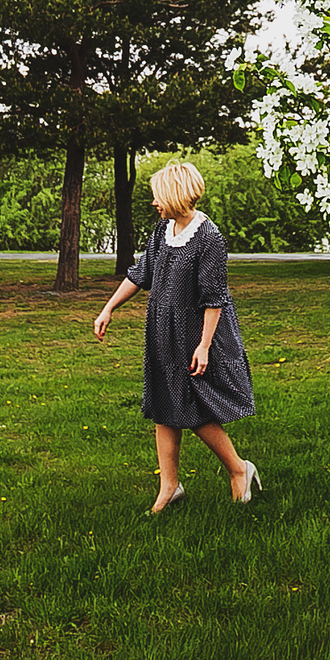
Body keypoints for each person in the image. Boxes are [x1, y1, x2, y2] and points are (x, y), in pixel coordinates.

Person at [93, 161, 260, 512]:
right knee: (163, 405)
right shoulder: (162, 231)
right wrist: (109, 308)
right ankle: (169, 486)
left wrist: (203, 346)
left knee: (193, 408)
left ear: (175, 195)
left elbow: (214, 297)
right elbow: (140, 274)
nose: (154, 203)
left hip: (196, 332)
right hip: (163, 331)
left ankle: (239, 469)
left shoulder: (209, 238)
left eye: (157, 197)